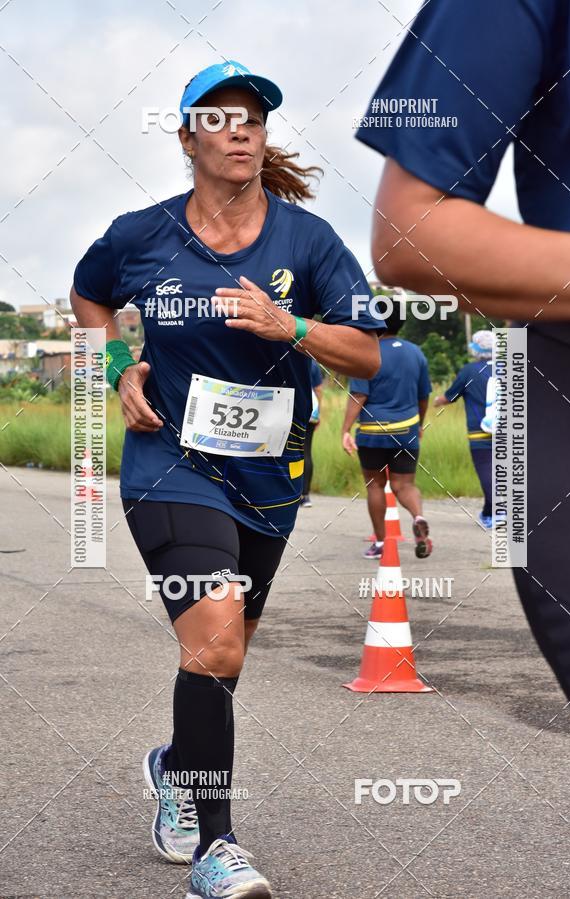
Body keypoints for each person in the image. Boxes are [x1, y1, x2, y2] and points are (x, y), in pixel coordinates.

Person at [71, 60, 381, 899]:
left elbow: (367, 353)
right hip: (170, 464)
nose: (240, 128)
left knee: (225, 652)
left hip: (270, 479)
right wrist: (118, 369)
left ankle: (178, 766)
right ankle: (217, 844)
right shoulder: (139, 235)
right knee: (214, 639)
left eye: (253, 117)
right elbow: (88, 296)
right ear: (187, 138)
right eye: (218, 117)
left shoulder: (309, 241)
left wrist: (293, 325)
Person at [355, 1, 570, 770]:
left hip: (428, 431)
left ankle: (399, 530)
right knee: (406, 485)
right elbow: (408, 232)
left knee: (391, 488)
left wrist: (356, 415)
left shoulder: (403, 357)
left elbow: (417, 389)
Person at [341, 299, 432, 560]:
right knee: (405, 485)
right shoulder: (416, 352)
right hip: (406, 429)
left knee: (375, 486)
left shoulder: (365, 352)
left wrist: (345, 429)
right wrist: (419, 424)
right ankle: (418, 517)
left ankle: (381, 543)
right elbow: (423, 396)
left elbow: (359, 395)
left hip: (372, 431)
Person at [434, 330, 495, 528]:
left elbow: (450, 396)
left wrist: (437, 401)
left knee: (486, 470)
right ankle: (489, 512)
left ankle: (496, 513)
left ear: (476, 350)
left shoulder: (469, 371)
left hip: (480, 431)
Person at [299, 358, 324, 508]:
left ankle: (292, 493)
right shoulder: (313, 363)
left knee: (290, 451)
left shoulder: (289, 357)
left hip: (293, 407)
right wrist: (318, 412)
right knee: (306, 451)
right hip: (312, 410)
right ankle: (305, 495)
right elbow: (319, 389)